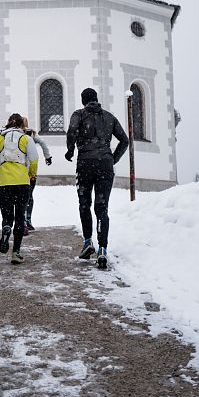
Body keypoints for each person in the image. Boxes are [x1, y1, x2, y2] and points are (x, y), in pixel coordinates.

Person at [65, 88, 128, 269]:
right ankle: (102, 248)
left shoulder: (79, 114)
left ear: (83, 100)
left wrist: (71, 150)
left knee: (84, 203)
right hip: (105, 166)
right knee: (102, 207)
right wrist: (112, 158)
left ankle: (87, 241)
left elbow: (71, 131)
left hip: (85, 163)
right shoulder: (109, 117)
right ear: (96, 99)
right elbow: (124, 140)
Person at [0, 113, 39, 265]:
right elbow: (34, 159)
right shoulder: (26, 139)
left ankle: (6, 227)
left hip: (5, 182)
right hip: (22, 182)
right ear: (21, 125)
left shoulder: (0, 138)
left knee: (7, 214)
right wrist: (31, 174)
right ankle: (16, 252)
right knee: (20, 216)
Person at [21, 116, 52, 234]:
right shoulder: (32, 134)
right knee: (29, 196)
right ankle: (28, 219)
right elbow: (43, 143)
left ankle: (23, 221)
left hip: (21, 170)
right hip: (31, 170)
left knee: (21, 197)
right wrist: (47, 156)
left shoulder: (17, 134)